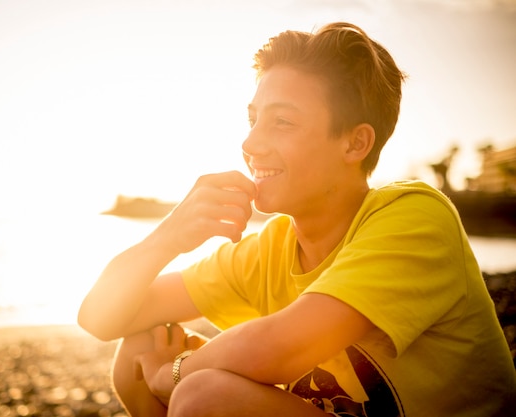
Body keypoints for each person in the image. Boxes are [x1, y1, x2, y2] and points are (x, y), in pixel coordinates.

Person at [78, 22, 515, 416]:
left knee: (203, 396)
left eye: (281, 122)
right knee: (139, 345)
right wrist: (168, 236)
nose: (250, 143)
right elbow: (100, 317)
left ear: (355, 143)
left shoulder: (415, 217)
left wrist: (170, 374)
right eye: (253, 120)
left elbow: (281, 349)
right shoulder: (271, 248)